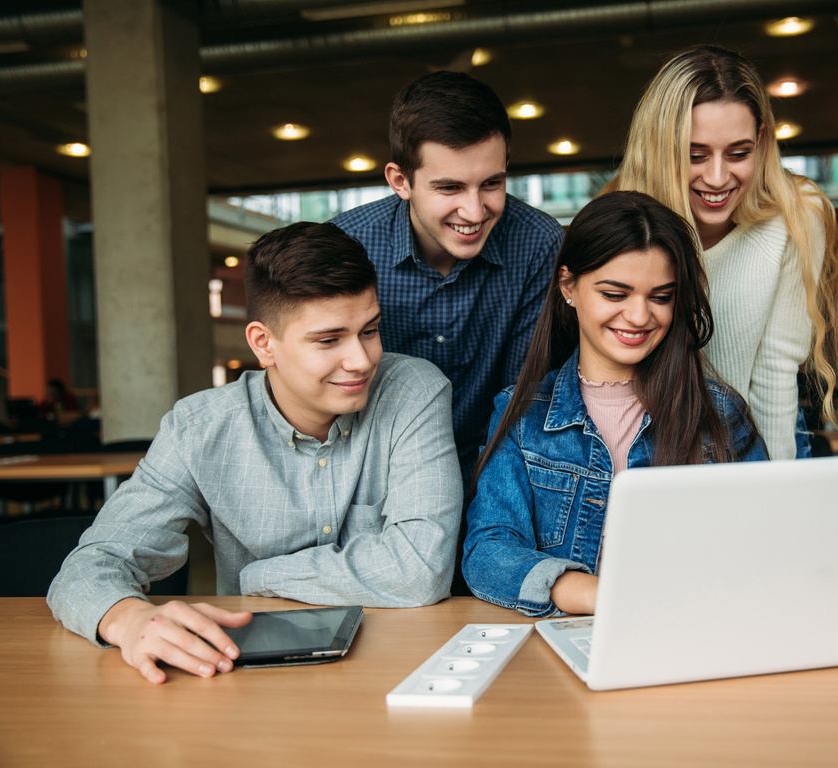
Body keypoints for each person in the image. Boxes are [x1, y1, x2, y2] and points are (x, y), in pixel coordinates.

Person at [48, 222, 462, 684]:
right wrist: (127, 619)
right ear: (263, 344)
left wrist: (260, 575)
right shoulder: (199, 428)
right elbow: (89, 566)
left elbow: (420, 570)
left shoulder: (413, 391)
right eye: (329, 340)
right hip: (248, 677)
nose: (362, 360)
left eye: (370, 330)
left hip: (396, 663)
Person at [462, 191, 767, 618]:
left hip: (697, 631)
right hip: (572, 639)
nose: (640, 316)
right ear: (568, 286)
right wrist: (594, 594)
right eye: (615, 293)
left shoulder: (720, 414)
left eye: (660, 297)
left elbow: (765, 547)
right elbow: (487, 552)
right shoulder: (521, 413)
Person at [604, 44, 838, 460]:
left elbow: (775, 378)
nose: (717, 178)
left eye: (739, 153)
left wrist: (770, 497)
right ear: (662, 148)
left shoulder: (797, 214)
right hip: (653, 444)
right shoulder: (628, 218)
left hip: (764, 442)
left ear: (762, 142)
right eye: (695, 155)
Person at [329, 70, 565, 479]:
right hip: (370, 477)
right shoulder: (345, 244)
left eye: (491, 183)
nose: (475, 212)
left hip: (494, 472)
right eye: (450, 188)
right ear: (400, 181)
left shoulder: (539, 243)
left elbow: (523, 399)